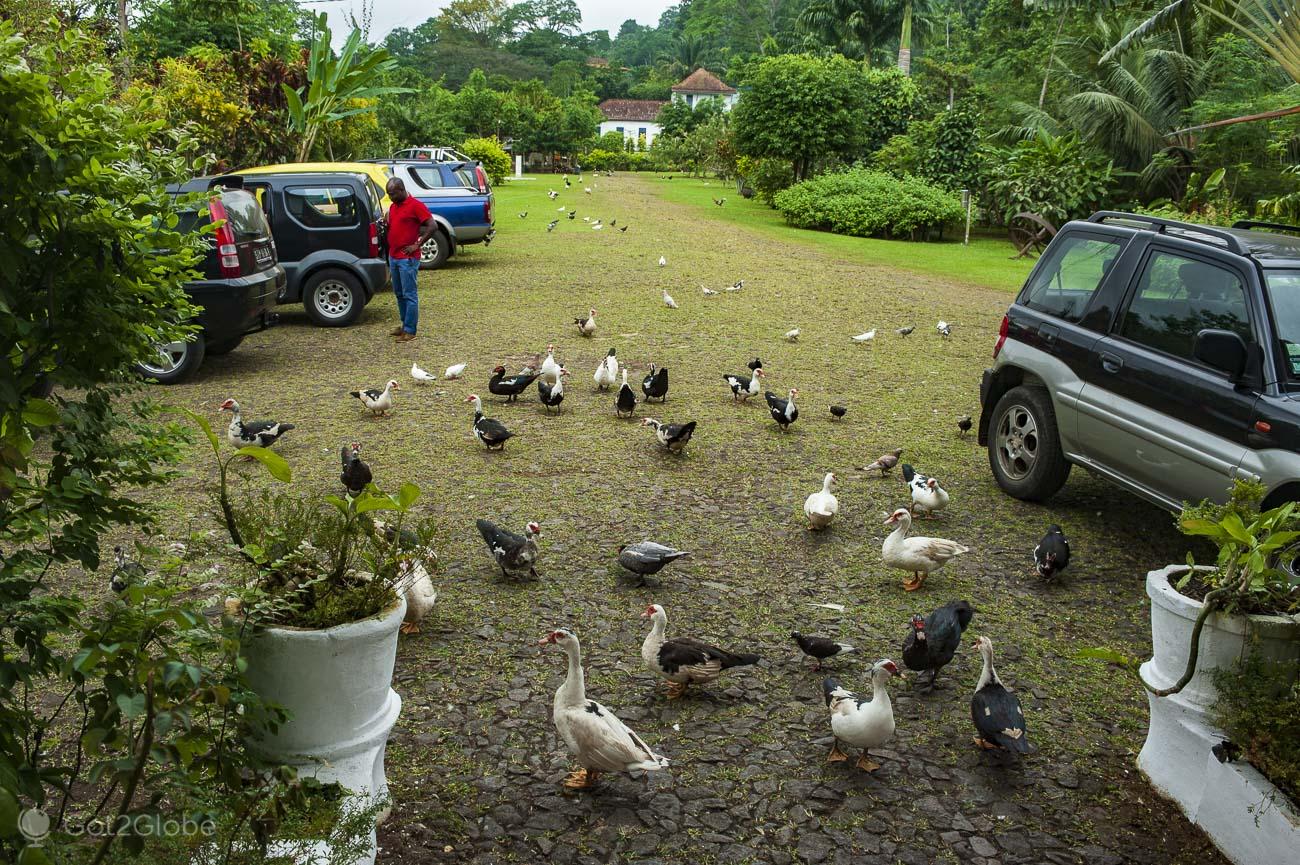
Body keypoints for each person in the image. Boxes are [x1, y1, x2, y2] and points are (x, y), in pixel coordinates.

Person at [384, 178, 436, 342]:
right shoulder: (393, 207)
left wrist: (417, 244)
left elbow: (432, 225)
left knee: (409, 294)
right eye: (389, 194)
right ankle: (404, 325)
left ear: (401, 190)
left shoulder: (415, 205)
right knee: (399, 293)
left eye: (392, 194)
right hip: (394, 256)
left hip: (407, 258)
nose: (390, 197)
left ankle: (410, 330)